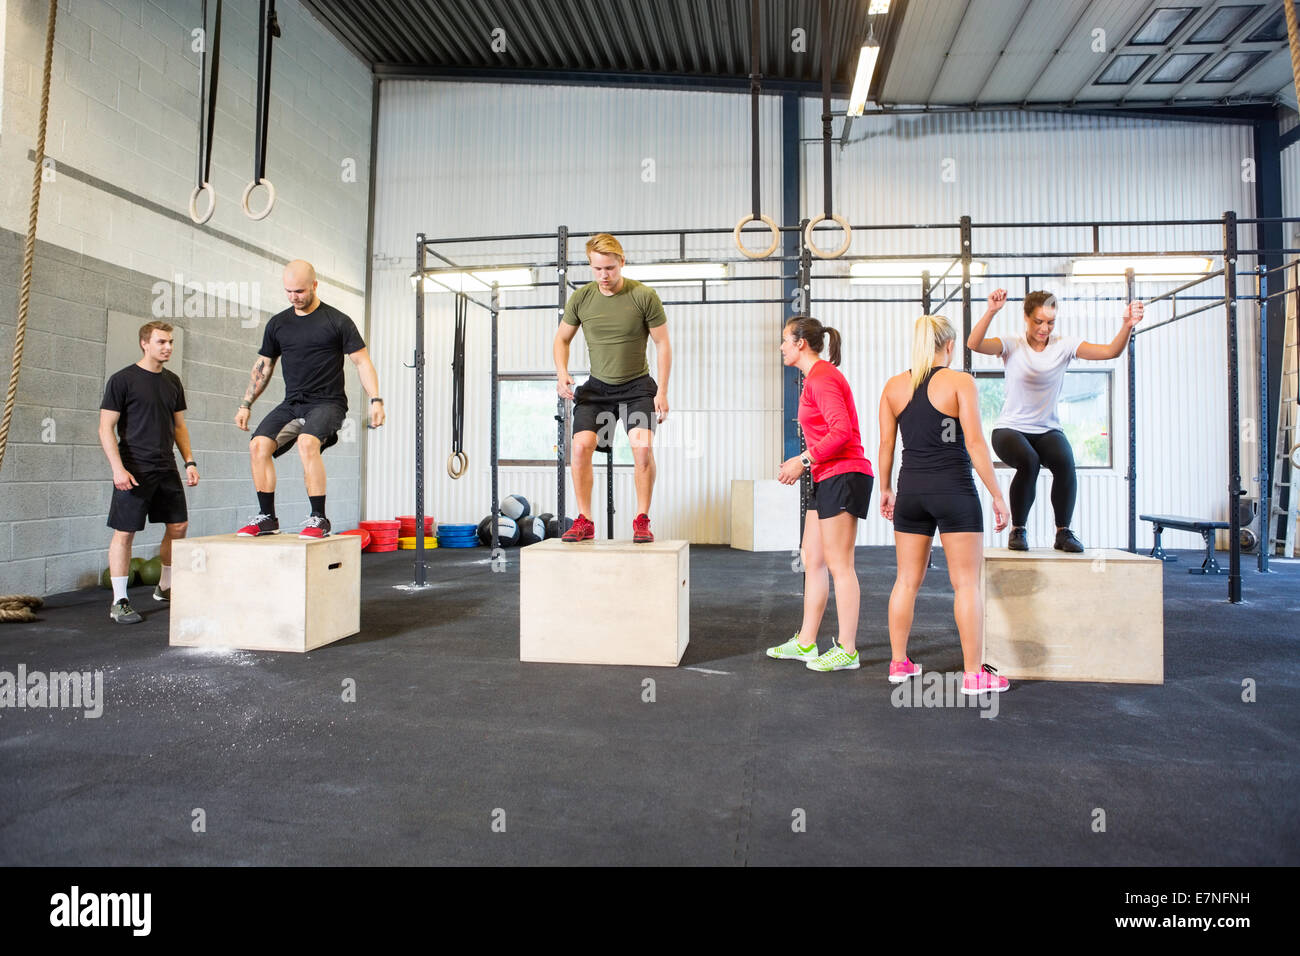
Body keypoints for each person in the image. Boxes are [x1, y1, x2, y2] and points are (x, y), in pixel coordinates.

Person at [878, 315, 1011, 694]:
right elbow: (974, 444)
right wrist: (997, 495)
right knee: (966, 583)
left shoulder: (893, 386)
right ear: (949, 345)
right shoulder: (959, 382)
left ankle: (899, 663)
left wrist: (885, 489)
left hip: (911, 492)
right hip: (954, 491)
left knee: (906, 580)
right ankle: (973, 674)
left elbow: (887, 446)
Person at [968, 289, 1143, 552]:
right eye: (1038, 321)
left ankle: (1063, 532)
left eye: (1050, 322)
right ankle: (1018, 530)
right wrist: (992, 310)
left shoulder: (1064, 345)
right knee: (1030, 461)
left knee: (1065, 461)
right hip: (1009, 429)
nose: (1044, 328)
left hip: (1047, 428)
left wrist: (1127, 325)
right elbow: (974, 343)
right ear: (1026, 318)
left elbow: (1110, 352)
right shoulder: (1012, 343)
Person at [235, 260, 384, 538]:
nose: (294, 297)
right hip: (292, 403)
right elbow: (263, 366)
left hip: (328, 403)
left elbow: (362, 362)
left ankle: (319, 519)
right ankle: (267, 518)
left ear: (315, 286)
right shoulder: (278, 324)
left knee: (306, 442)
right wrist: (246, 404)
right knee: (257, 446)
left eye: (300, 291)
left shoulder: (337, 321)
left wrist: (376, 399)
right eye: (289, 291)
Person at [765, 317, 875, 673]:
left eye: (785, 340)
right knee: (812, 557)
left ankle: (848, 649)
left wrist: (803, 459)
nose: (781, 346)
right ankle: (806, 642)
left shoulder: (823, 377)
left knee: (840, 564)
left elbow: (842, 430)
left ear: (801, 344)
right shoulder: (814, 379)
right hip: (826, 474)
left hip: (844, 474)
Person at [554, 233, 672, 543]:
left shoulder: (644, 296)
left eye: (610, 268)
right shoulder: (581, 299)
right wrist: (562, 371)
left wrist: (662, 391)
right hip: (596, 390)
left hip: (637, 388)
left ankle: (642, 520)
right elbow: (561, 339)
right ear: (590, 266)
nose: (604, 276)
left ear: (622, 262)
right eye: (597, 269)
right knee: (579, 448)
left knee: (642, 449)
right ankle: (585, 520)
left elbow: (662, 343)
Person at [98, 321, 199, 624]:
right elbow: (105, 428)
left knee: (179, 526)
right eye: (161, 342)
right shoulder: (123, 380)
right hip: (134, 466)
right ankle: (120, 600)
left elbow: (179, 426)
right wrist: (118, 469)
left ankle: (165, 586)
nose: (167, 347)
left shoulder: (172, 382)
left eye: (170, 342)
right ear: (145, 343)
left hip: (165, 464)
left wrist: (189, 461)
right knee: (125, 532)